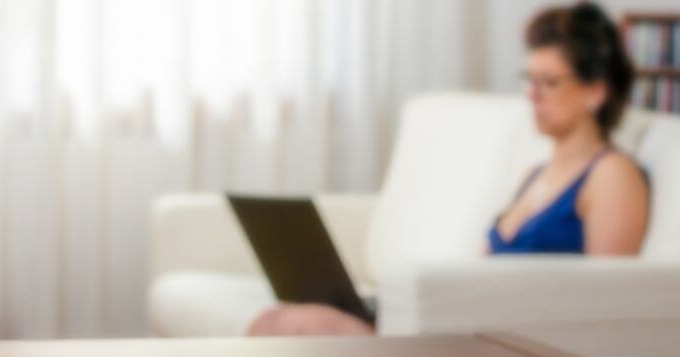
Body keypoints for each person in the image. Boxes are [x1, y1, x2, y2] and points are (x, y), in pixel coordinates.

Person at [249, 1, 649, 337]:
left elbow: (606, 302)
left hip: (512, 339)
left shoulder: (611, 175)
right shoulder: (534, 174)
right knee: (276, 318)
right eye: (529, 80)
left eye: (549, 83)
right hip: (470, 324)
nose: (532, 95)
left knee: (301, 324)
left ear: (596, 90)